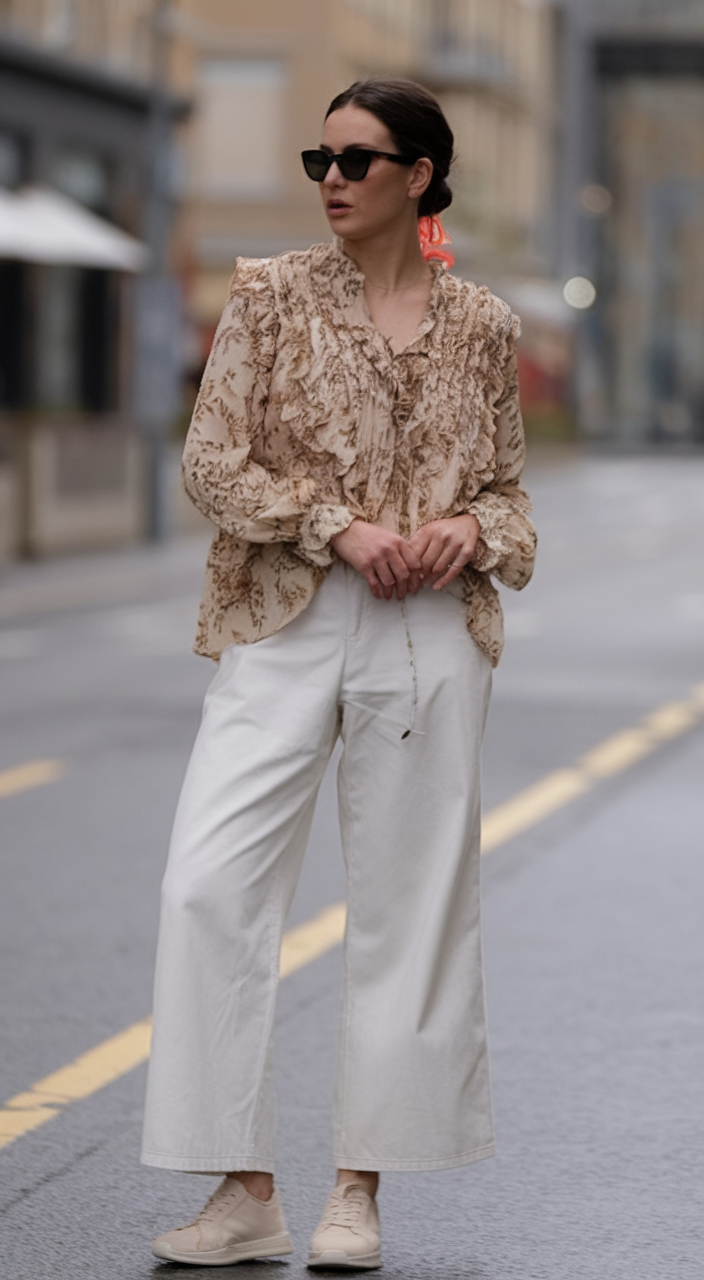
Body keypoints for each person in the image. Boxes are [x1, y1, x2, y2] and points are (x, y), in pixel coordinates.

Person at [142, 77, 537, 1269]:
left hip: (427, 632)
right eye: (322, 156)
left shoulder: (484, 327)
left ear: (417, 175)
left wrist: (472, 532)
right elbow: (209, 466)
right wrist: (335, 525)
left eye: (357, 160)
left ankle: (355, 1190)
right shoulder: (264, 298)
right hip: (283, 613)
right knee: (207, 886)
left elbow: (511, 493)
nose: (330, 177)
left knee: (407, 910)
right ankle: (243, 1187)